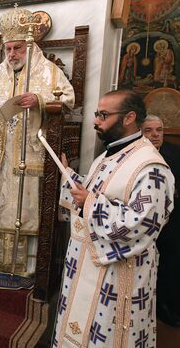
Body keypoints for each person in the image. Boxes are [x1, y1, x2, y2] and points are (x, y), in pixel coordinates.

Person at [53, 90, 174, 347]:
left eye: (103, 115)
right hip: (89, 265)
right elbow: (92, 193)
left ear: (129, 117)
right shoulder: (109, 155)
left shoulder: (150, 168)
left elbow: (143, 222)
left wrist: (91, 203)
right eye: (98, 113)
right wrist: (70, 178)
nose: (96, 120)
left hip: (118, 274)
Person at [0, 7, 74, 281]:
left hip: (31, 155)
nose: (12, 54)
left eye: (17, 48)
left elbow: (69, 99)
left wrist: (39, 99)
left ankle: (27, 267)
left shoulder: (49, 72)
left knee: (27, 211)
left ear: (29, 47)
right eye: (8, 49)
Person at [141, 114, 180, 326]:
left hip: (172, 221)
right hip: (142, 222)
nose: (155, 135)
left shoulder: (175, 153)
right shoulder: (133, 155)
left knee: (171, 261)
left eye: (159, 130)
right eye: (149, 130)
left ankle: (165, 306)